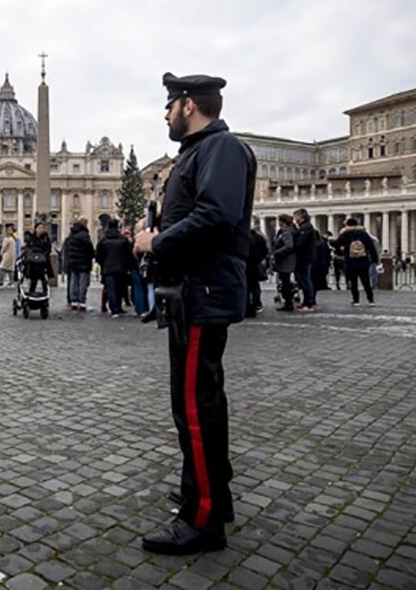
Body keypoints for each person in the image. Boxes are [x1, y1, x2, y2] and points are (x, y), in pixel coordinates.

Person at [144, 72, 255, 555]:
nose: (165, 114)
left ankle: (204, 519)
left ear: (188, 105)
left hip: (201, 292)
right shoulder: (199, 152)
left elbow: (215, 215)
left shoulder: (221, 149)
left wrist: (156, 241)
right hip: (192, 291)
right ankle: (209, 491)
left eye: (169, 106)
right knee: (200, 401)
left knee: (194, 407)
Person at [330, 217, 378, 306]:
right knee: (366, 281)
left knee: (353, 282)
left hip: (350, 260)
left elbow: (336, 243)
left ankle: (356, 300)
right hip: (363, 260)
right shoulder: (363, 233)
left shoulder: (346, 234)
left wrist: (330, 240)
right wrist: (375, 260)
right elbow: (371, 247)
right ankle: (371, 300)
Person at [95, 219, 132, 317]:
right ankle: (119, 307)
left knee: (111, 288)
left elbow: (98, 255)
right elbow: (128, 254)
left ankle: (113, 309)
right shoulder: (123, 240)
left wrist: (103, 264)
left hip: (108, 267)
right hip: (121, 268)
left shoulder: (103, 240)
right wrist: (127, 265)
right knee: (119, 288)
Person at [63, 218, 94, 311]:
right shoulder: (84, 235)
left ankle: (74, 301)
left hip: (73, 262)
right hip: (83, 262)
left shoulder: (71, 235)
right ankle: (82, 302)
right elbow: (89, 248)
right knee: (83, 283)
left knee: (74, 282)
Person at [292, 208, 317, 312]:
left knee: (306, 280)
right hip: (306, 257)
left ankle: (308, 302)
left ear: (301, 216)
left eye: (296, 216)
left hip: (305, 257)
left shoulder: (305, 228)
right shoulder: (305, 227)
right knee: (304, 280)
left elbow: (300, 243)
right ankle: (306, 301)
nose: (295, 219)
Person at [272, 215, 297, 311]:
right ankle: (288, 301)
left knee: (285, 282)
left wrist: (276, 253)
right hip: (286, 260)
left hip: (286, 261)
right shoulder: (287, 231)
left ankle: (288, 302)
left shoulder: (286, 233)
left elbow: (289, 246)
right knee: (285, 281)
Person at [245, 227, 269, 317]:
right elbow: (265, 250)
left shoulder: (244, 237)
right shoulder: (258, 237)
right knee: (254, 287)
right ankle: (255, 305)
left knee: (246, 287)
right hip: (255, 264)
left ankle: (248, 307)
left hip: (247, 264)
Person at [25, 222, 53, 295]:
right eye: (39, 228)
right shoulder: (31, 238)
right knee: (33, 279)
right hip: (33, 262)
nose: (41, 229)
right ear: (35, 229)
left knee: (43, 278)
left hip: (43, 261)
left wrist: (43, 255)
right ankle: (31, 293)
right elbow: (28, 248)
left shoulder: (46, 238)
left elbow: (48, 248)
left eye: (42, 228)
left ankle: (45, 293)